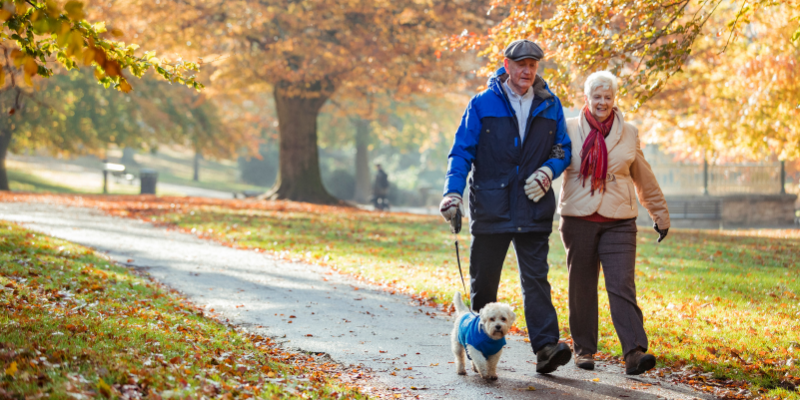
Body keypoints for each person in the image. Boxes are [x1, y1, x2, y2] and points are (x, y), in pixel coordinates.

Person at [439, 39, 573, 374]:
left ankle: (545, 349)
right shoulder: (482, 104)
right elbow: (461, 152)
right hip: (491, 206)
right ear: (507, 64)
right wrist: (452, 193)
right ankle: (478, 345)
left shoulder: (550, 103)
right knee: (484, 283)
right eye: (521, 64)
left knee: (536, 280)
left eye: (533, 64)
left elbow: (562, 149)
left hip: (533, 206)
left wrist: (547, 172)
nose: (527, 70)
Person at [557, 71, 670, 375]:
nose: (602, 102)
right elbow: (551, 164)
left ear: (614, 99)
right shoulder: (567, 129)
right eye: (597, 96)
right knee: (581, 285)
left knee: (621, 284)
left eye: (608, 97)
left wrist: (660, 214)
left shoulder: (629, 132)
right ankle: (584, 351)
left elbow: (643, 177)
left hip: (620, 220)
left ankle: (634, 352)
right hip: (578, 219)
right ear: (587, 98)